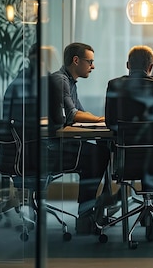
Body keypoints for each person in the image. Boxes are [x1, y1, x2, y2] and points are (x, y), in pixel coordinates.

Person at [47, 42, 112, 235]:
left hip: (60, 144)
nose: (93, 66)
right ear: (76, 61)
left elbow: (80, 112)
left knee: (101, 150)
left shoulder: (69, 82)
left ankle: (94, 208)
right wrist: (102, 119)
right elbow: (73, 115)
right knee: (98, 155)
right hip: (53, 148)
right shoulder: (60, 80)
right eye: (89, 61)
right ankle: (87, 213)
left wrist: (97, 119)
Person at [105, 45, 153, 212]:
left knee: (103, 147)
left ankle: (107, 201)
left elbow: (110, 122)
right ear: (150, 67)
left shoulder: (114, 85)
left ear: (127, 65)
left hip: (126, 161)